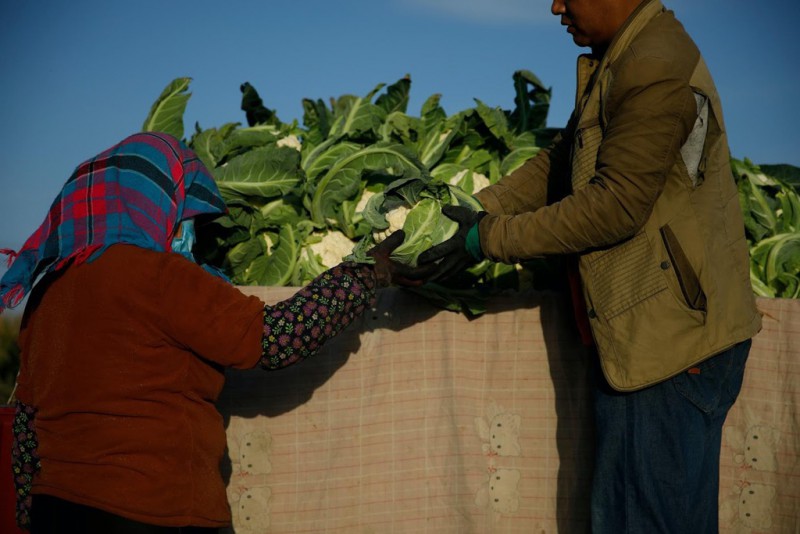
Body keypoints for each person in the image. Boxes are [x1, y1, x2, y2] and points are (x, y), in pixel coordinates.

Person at [418, 0, 762, 532]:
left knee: (645, 519)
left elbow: (615, 206)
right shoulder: (621, 57)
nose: (556, 6)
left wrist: (487, 240)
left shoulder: (654, 63)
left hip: (669, 341)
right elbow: (561, 163)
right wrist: (479, 210)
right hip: (646, 332)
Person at [0, 131, 432, 533]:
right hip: (154, 509)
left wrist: (27, 512)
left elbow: (25, 421)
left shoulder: (47, 294)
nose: (190, 233)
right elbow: (275, 338)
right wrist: (363, 276)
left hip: (54, 509)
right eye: (186, 213)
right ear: (154, 202)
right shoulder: (159, 275)